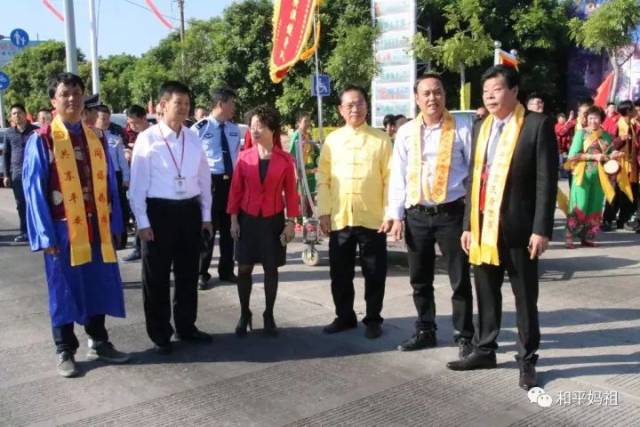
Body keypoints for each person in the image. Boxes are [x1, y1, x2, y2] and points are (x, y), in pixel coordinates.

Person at [446, 65, 558, 391]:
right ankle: (485, 349)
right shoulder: (481, 126)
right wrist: (468, 224)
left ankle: (527, 359)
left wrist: (542, 229)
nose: (490, 96)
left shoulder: (536, 126)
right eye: (486, 92)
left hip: (520, 231)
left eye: (496, 89)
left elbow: (546, 183)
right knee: (486, 294)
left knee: (525, 298)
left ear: (513, 91)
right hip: (482, 229)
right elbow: (472, 181)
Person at [22, 72, 130, 377]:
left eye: (77, 93)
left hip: (96, 227)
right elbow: (34, 192)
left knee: (96, 281)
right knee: (64, 288)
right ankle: (64, 349)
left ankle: (99, 339)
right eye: (65, 93)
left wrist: (116, 223)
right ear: (53, 100)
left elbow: (110, 186)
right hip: (62, 230)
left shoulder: (95, 138)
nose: (72, 99)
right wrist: (44, 234)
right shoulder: (42, 140)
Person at [386, 73, 474, 356]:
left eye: (437, 92)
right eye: (426, 94)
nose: (432, 98)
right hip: (417, 215)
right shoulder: (406, 132)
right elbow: (398, 176)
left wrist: (472, 217)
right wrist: (396, 214)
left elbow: (474, 173)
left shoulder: (462, 128)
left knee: (458, 278)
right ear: (416, 99)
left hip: (451, 213)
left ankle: (464, 335)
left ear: (444, 96)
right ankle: (425, 329)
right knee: (420, 279)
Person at [129, 81, 213, 354]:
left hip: (188, 211)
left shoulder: (192, 136)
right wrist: (142, 222)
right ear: (163, 105)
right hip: (159, 212)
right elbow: (138, 185)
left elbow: (203, 178)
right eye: (179, 103)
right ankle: (160, 334)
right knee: (157, 277)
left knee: (188, 273)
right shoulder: (148, 138)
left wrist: (206, 215)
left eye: (188, 104)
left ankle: (186, 326)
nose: (185, 109)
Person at [317, 84, 392, 339]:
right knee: (340, 272)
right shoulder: (332, 140)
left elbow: (390, 178)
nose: (354, 108)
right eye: (349, 105)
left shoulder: (381, 139)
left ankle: (373, 319)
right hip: (340, 217)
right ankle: (344, 316)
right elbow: (323, 179)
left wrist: (390, 213)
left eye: (359, 103)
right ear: (340, 110)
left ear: (367, 106)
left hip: (373, 218)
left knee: (374, 272)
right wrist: (324, 211)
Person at [227, 105, 299, 337]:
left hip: (273, 219)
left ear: (273, 129)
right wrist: (234, 220)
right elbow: (235, 191)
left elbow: (291, 193)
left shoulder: (285, 160)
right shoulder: (244, 157)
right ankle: (244, 313)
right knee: (244, 267)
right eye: (252, 126)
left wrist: (291, 222)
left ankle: (269, 313)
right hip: (247, 219)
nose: (255, 130)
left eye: (260, 125)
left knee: (271, 268)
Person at [192, 88, 241, 289]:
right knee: (207, 227)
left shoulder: (234, 129)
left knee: (230, 227)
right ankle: (201, 272)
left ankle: (227, 269)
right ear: (221, 103)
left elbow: (236, 155)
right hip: (210, 182)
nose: (234, 108)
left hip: (231, 182)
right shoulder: (199, 128)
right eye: (232, 103)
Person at [565, 106, 618, 248]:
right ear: (587, 119)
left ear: (601, 119)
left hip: (600, 177)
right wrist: (594, 156)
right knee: (579, 205)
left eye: (596, 118)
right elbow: (572, 156)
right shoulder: (581, 134)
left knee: (594, 206)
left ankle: (587, 237)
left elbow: (609, 154)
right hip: (582, 175)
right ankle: (570, 237)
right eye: (590, 118)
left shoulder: (606, 135)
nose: (593, 121)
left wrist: (614, 155)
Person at [2, 103, 39, 242]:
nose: (17, 116)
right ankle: (24, 232)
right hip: (17, 174)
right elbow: (6, 155)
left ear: (25, 114)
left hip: (34, 173)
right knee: (21, 204)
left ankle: (38, 230)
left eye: (19, 113)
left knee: (35, 202)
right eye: (14, 114)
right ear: (11, 117)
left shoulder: (35, 131)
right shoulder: (9, 133)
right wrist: (6, 175)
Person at [96, 105, 131, 250]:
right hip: (98, 177)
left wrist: (126, 177)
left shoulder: (114, 138)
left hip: (115, 176)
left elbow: (122, 160)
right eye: (101, 118)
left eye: (106, 118)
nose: (104, 121)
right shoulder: (90, 137)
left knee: (120, 207)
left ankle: (121, 239)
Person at [602, 100, 637, 231]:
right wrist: (620, 139)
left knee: (627, 193)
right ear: (628, 111)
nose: (636, 111)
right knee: (614, 192)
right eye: (633, 109)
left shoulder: (632, 125)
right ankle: (607, 220)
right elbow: (607, 145)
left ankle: (623, 220)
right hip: (617, 165)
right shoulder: (617, 124)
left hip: (629, 165)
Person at [122, 105, 151, 262]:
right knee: (137, 215)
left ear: (143, 119)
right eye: (129, 123)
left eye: (134, 123)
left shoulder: (152, 135)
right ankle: (138, 248)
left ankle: (143, 249)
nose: (131, 126)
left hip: (150, 187)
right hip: (136, 183)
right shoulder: (134, 135)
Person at [289, 112, 320, 219]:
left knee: (311, 196)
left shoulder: (308, 135)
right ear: (298, 123)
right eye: (305, 121)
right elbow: (291, 155)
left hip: (310, 170)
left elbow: (315, 152)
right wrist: (296, 172)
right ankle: (302, 221)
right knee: (302, 197)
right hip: (301, 171)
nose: (308, 123)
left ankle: (310, 221)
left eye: (309, 120)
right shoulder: (296, 135)